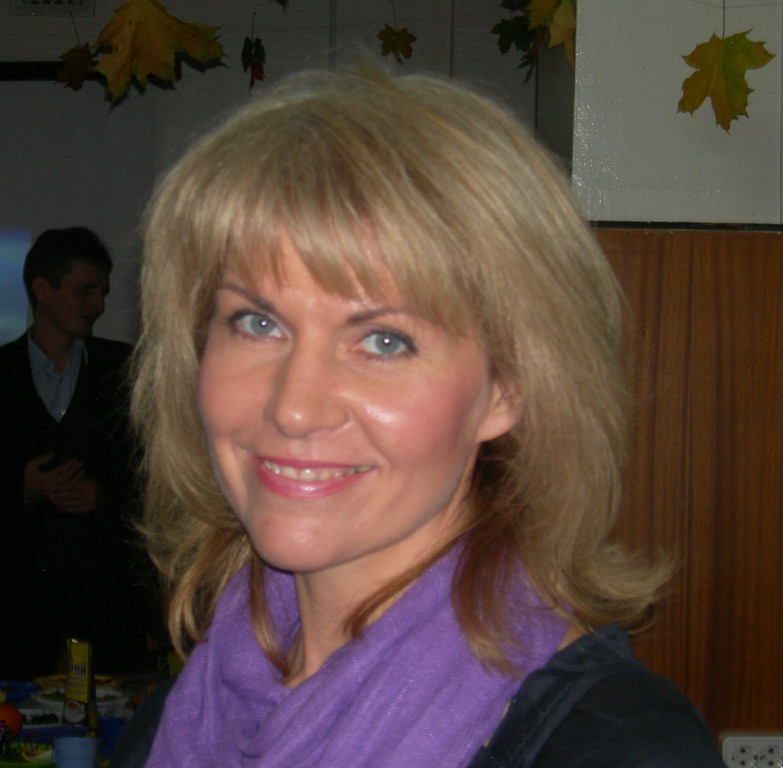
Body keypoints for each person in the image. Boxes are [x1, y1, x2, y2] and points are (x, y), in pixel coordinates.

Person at [124, 67, 724, 767]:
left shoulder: (617, 748)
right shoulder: (181, 720)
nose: (294, 407)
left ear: (508, 387)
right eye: (258, 323)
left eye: (384, 341)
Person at [0, 227, 149, 677]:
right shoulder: (0, 375)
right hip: (17, 609)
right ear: (42, 289)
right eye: (85, 290)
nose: (98, 305)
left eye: (102, 292)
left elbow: (155, 475)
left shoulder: (125, 370)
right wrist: (22, 488)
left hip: (110, 605)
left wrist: (102, 495)